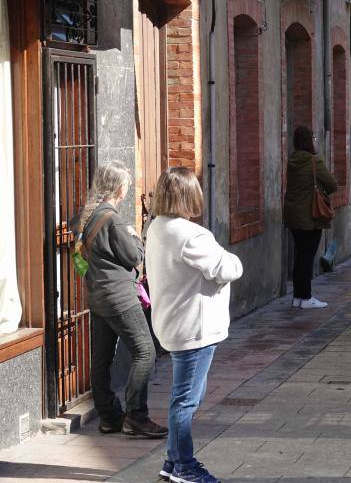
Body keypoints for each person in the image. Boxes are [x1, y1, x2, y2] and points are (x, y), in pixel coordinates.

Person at [146, 167, 243, 483]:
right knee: (186, 400)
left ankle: (172, 462)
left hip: (174, 323)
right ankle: (184, 466)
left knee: (186, 396)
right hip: (194, 326)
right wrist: (228, 256)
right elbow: (227, 268)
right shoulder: (191, 235)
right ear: (189, 195)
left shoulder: (157, 227)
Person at [75, 161, 167, 438]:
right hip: (119, 297)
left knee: (101, 358)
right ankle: (136, 416)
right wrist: (138, 239)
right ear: (119, 188)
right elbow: (134, 257)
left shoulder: (88, 215)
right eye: (126, 184)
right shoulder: (113, 219)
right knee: (145, 351)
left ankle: (109, 416)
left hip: (98, 296)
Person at [284, 126, 338, 309]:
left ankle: (298, 297)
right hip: (310, 215)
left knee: (300, 256)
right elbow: (332, 185)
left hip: (292, 215)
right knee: (307, 257)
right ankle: (306, 297)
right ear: (310, 140)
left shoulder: (292, 160)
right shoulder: (314, 161)